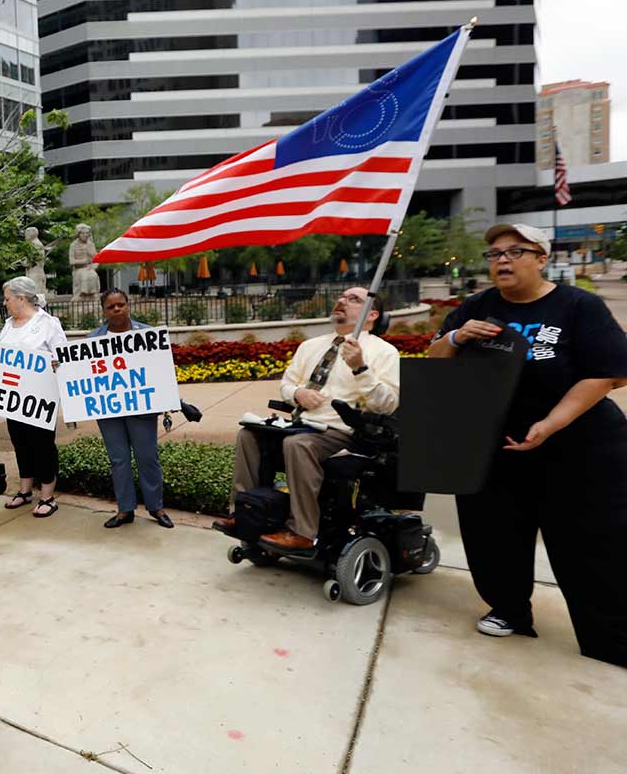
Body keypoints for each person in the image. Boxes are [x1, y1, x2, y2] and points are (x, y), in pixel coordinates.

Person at [429, 223, 627, 666]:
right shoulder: (477, 307)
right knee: (493, 534)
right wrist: (456, 338)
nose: (502, 259)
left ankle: (610, 635)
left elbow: (607, 373)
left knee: (591, 544)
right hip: (496, 448)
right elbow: (436, 360)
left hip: (578, 449)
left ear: (541, 259)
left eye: (516, 251)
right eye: (495, 253)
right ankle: (509, 610)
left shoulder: (578, 306)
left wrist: (552, 423)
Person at [222, 286, 400, 550]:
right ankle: (245, 514)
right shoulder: (310, 346)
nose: (342, 301)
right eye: (341, 297)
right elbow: (286, 385)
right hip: (300, 424)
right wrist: (299, 393)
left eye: (353, 299)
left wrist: (360, 369)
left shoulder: (383, 352)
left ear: (372, 314)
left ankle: (303, 531)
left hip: (341, 432)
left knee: (299, 445)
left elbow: (387, 404)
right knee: (250, 435)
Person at [91, 289, 173, 531]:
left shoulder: (147, 334)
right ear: (103, 311)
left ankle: (156, 507)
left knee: (148, 457)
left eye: (121, 305)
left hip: (142, 408)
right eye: (111, 307)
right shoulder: (93, 339)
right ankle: (125, 509)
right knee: (119, 460)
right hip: (110, 410)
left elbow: (160, 370)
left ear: (128, 305)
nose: (117, 309)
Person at [0, 276, 68, 518]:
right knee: (20, 442)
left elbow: (63, 357)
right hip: (13, 396)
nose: (5, 303)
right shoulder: (8, 325)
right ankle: (25, 490)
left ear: (21, 298)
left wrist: (56, 362)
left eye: (7, 299)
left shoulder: (48, 324)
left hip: (40, 398)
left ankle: (47, 495)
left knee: (42, 444)